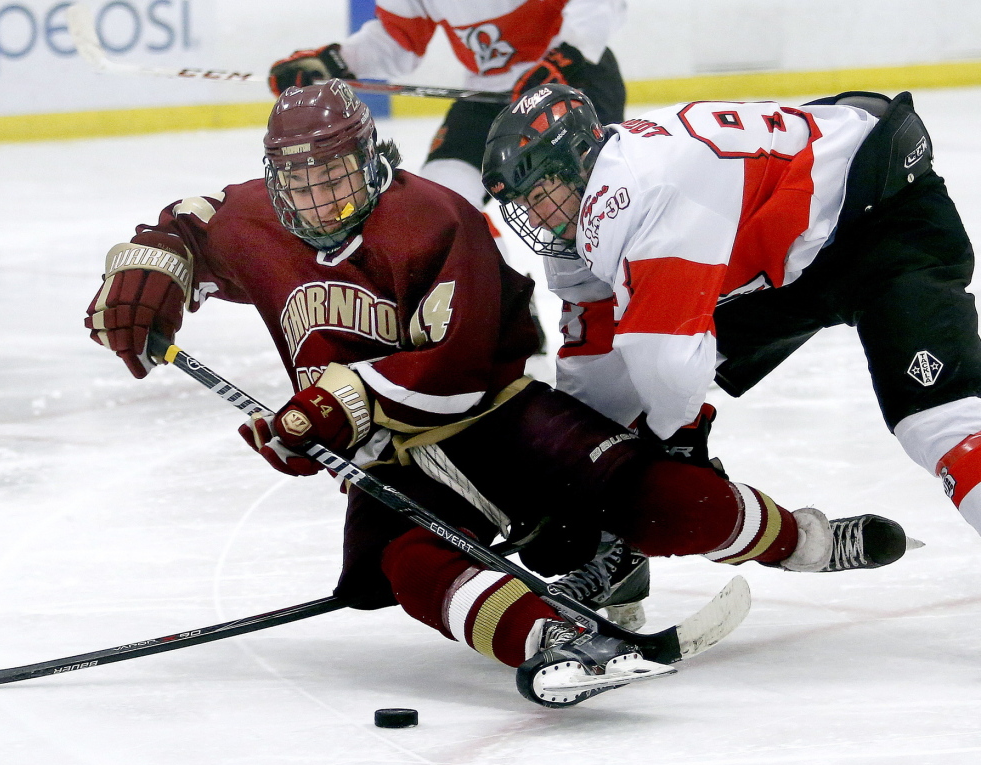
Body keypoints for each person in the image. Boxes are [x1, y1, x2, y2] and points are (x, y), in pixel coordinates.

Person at [84, 81, 913, 708]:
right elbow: (190, 222)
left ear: (372, 160)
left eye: (336, 179)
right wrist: (152, 267)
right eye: (300, 186)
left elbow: (460, 364)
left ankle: (802, 539)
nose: (320, 201)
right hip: (393, 455)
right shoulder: (262, 219)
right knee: (401, 563)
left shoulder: (437, 218)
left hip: (499, 414)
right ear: (277, 181)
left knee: (652, 494)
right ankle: (546, 640)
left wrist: (331, 409)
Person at [481, 83, 981, 538]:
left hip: (880, 219)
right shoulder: (591, 203)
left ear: (577, 161)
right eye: (526, 205)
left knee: (938, 422)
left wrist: (677, 435)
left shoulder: (637, 191)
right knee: (639, 414)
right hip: (790, 245)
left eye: (543, 194)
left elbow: (665, 358)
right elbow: (598, 358)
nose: (539, 218)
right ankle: (618, 561)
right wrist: (579, 460)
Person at [266, 0, 627, 252]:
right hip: (488, 97)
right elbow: (398, 40)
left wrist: (569, 53)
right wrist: (334, 61)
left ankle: (615, 311)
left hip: (573, 77)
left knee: (580, 210)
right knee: (438, 207)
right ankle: (508, 323)